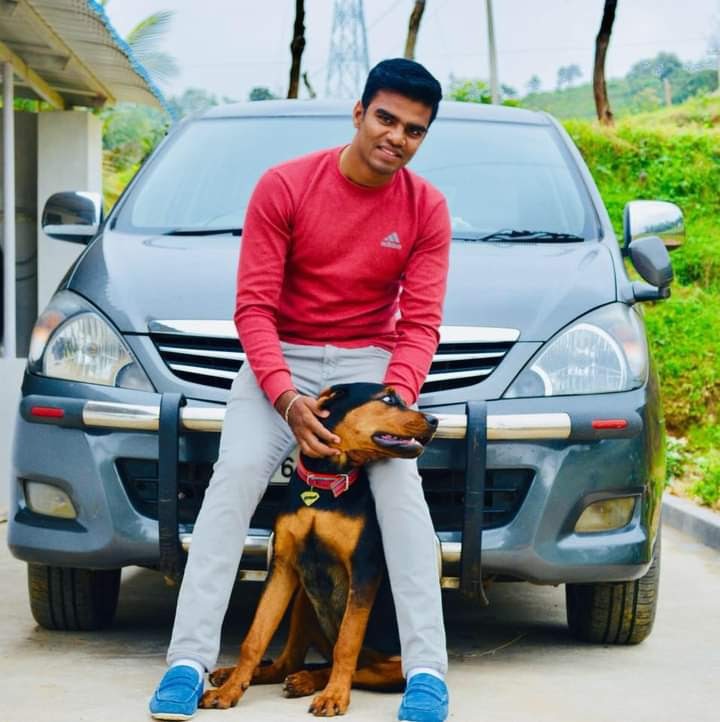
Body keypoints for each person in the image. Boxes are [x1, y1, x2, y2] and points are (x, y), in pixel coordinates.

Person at [149, 58, 451, 722]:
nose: (397, 137)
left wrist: (390, 404)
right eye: (386, 119)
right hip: (281, 357)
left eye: (414, 130)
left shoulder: (426, 207)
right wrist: (286, 399)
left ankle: (428, 670)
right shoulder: (284, 185)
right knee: (235, 476)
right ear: (359, 112)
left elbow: (421, 324)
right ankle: (186, 662)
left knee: (402, 493)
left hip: (368, 364)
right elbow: (253, 308)